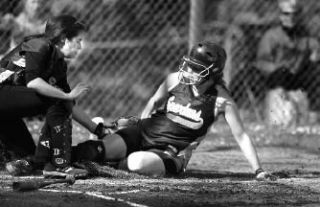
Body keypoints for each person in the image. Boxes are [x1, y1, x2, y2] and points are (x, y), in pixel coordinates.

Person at [71, 41, 276, 180]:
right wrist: (139, 125)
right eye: (188, 65)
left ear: (212, 73)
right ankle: (45, 159)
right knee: (91, 151)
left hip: (171, 151)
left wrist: (258, 170)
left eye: (195, 69)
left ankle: (110, 160)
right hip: (145, 133)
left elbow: (241, 137)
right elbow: (153, 101)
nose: (187, 71)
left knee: (136, 162)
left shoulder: (222, 100)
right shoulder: (174, 79)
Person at [2, 15, 108, 177]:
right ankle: (61, 164)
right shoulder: (39, 44)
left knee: (31, 159)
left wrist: (99, 130)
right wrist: (65, 96)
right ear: (64, 39)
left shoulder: (58, 63)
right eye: (78, 41)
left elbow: (68, 103)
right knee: (58, 97)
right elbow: (34, 83)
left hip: (6, 113)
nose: (80, 47)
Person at [256, 0, 320, 127]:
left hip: (298, 82)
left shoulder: (305, 37)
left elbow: (315, 52)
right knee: (282, 72)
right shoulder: (271, 36)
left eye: (294, 14)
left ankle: (314, 113)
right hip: (278, 82)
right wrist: (278, 69)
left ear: (299, 16)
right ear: (280, 15)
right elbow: (262, 63)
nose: (290, 18)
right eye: (286, 14)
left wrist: (315, 56)